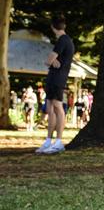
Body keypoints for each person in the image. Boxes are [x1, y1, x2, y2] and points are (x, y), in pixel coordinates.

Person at [35, 15, 75, 154]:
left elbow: (49, 60)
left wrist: (52, 60)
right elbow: (52, 60)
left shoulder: (63, 40)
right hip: (54, 77)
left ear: (53, 27)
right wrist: (53, 60)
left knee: (57, 106)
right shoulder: (65, 40)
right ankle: (48, 141)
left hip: (58, 78)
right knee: (50, 107)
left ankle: (58, 142)